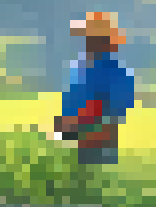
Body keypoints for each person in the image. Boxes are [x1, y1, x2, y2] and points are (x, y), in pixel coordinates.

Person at [54, 12, 137, 165]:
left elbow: (113, 106)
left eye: (91, 38)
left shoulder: (113, 70)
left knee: (94, 172)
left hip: (98, 138)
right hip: (76, 135)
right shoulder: (82, 65)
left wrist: (74, 124)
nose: (87, 42)